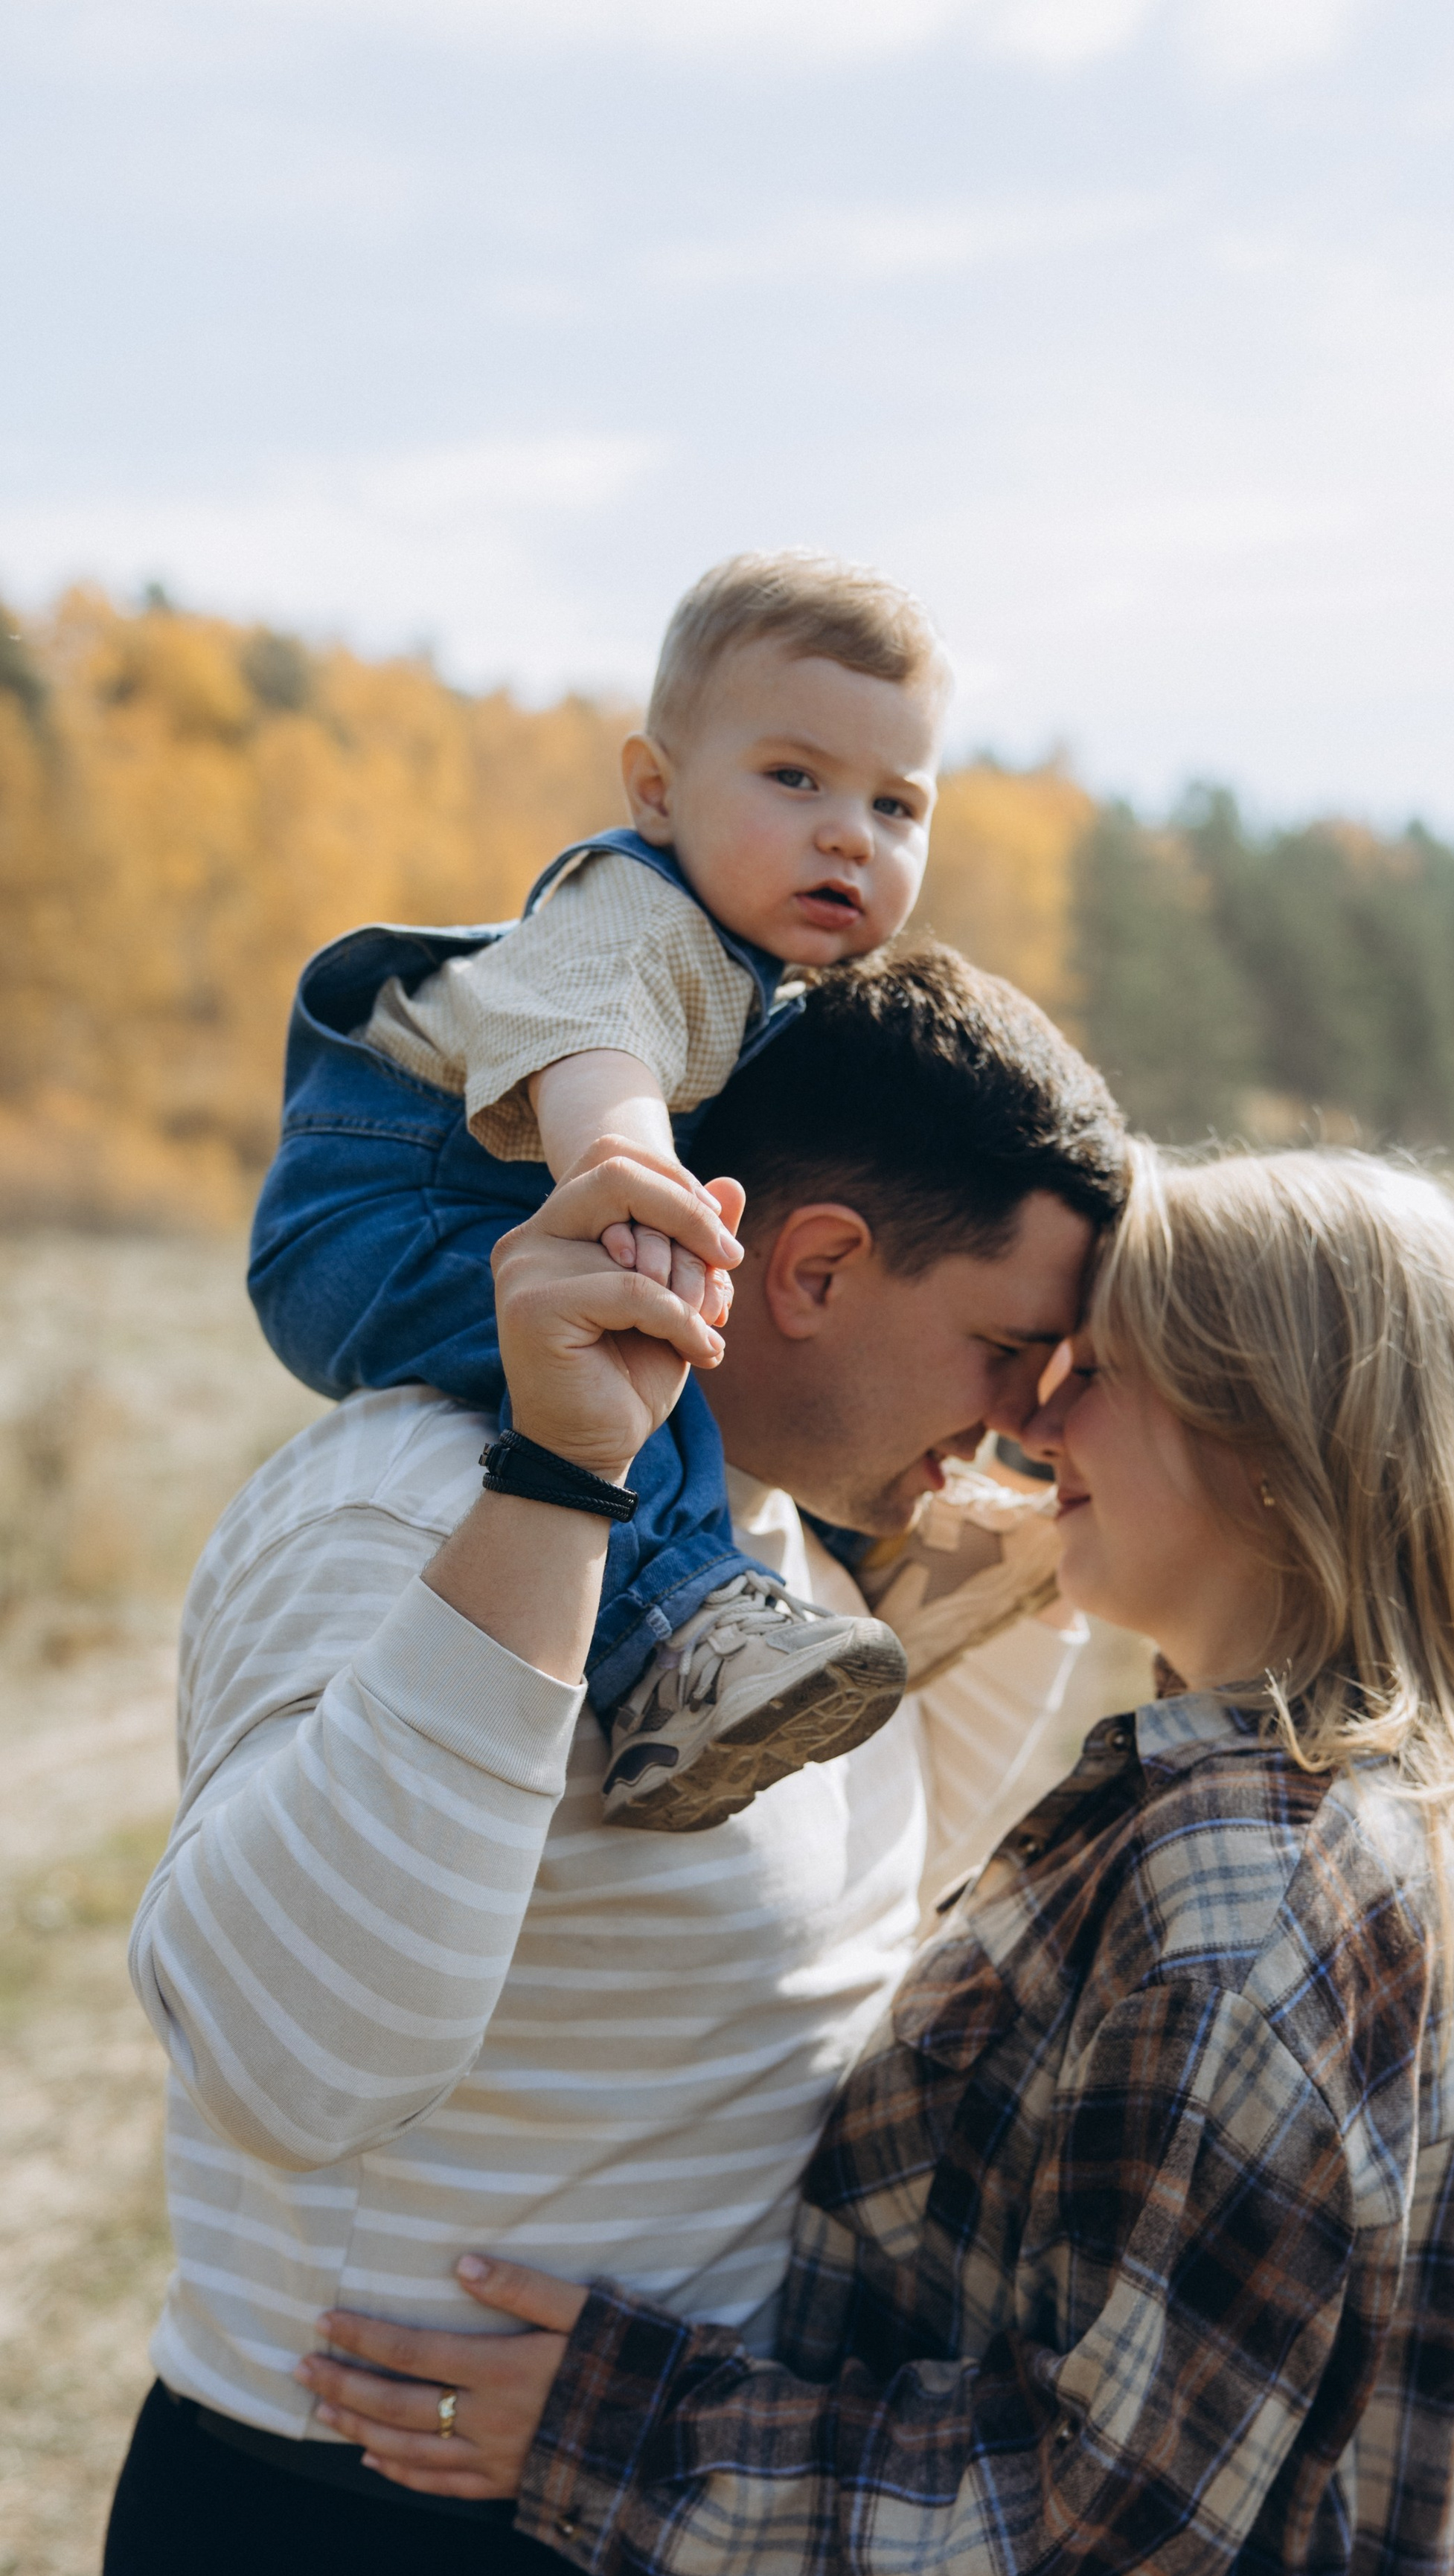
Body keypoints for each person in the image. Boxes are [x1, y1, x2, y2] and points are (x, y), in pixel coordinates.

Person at [305, 1145, 1454, 2576]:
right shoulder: (1294, 1815)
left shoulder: (1247, 1906)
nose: (1038, 1431)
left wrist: (610, 2435)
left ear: (1267, 1434)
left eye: (1096, 1377)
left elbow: (1078, 2503)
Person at [100, 946, 1130, 2576]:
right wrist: (563, 1474)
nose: (1022, 1423)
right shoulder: (410, 1501)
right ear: (811, 1271)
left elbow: (845, 1966)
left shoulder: (773, 1571)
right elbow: (282, 2056)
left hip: (646, 2557)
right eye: (1008, 1351)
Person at [249, 547, 1060, 1836]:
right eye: (794, 779)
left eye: (896, 806)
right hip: (384, 1210)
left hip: (487, 1200)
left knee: (717, 1347)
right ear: (657, 790)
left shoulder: (757, 962)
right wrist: (628, 1165)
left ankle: (857, 1566)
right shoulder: (628, 908)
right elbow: (594, 1044)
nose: (849, 831)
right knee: (634, 1343)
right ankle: (682, 1649)